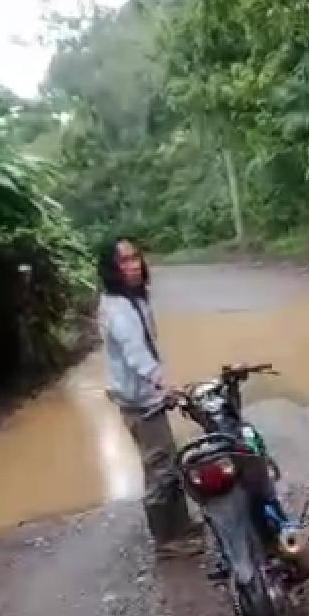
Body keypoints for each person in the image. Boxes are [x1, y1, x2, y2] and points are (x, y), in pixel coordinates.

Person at [97, 238, 201, 558]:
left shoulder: (134, 299)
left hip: (147, 397)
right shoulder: (118, 309)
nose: (133, 266)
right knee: (160, 469)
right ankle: (166, 540)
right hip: (139, 403)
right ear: (111, 269)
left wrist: (162, 387)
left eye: (136, 258)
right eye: (124, 262)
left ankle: (181, 525)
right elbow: (137, 356)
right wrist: (165, 382)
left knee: (169, 461)